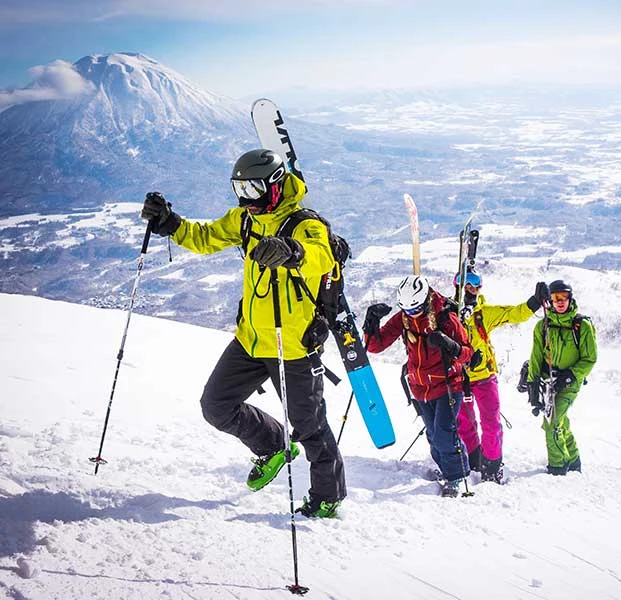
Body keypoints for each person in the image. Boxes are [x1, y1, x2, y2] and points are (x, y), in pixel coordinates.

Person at [139, 148, 346, 518]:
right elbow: (206, 236)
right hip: (251, 339)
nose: (245, 198)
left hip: (292, 346)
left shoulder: (304, 224)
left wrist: (292, 252)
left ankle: (328, 497)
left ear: (276, 185)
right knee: (215, 406)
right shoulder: (246, 220)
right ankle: (272, 445)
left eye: (252, 189)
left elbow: (321, 254)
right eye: (239, 189)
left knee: (310, 426)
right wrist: (170, 222)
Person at [363, 276, 475, 497]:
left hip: (448, 384)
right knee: (433, 434)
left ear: (425, 301)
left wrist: (448, 344)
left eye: (415, 309)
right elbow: (375, 346)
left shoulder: (446, 318)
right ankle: (446, 469)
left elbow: (468, 354)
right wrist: (371, 323)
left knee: (444, 433)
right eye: (407, 309)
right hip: (419, 387)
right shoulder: (404, 318)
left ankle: (456, 476)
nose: (412, 314)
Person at [453, 271, 548, 483]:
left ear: (480, 289)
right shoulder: (448, 314)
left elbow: (514, 314)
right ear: (456, 286)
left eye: (475, 284)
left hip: (484, 376)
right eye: (464, 283)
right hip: (458, 378)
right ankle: (474, 458)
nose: (470, 288)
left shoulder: (484, 313)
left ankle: (492, 464)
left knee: (491, 422)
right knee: (465, 423)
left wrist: (534, 302)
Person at [526, 280, 597, 475]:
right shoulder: (543, 326)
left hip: (571, 381)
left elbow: (590, 359)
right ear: (549, 300)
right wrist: (533, 383)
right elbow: (536, 356)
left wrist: (571, 376)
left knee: (552, 421)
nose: (560, 301)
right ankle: (574, 461)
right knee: (560, 420)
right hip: (549, 380)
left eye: (564, 297)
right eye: (555, 297)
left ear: (570, 298)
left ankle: (558, 466)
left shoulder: (581, 326)